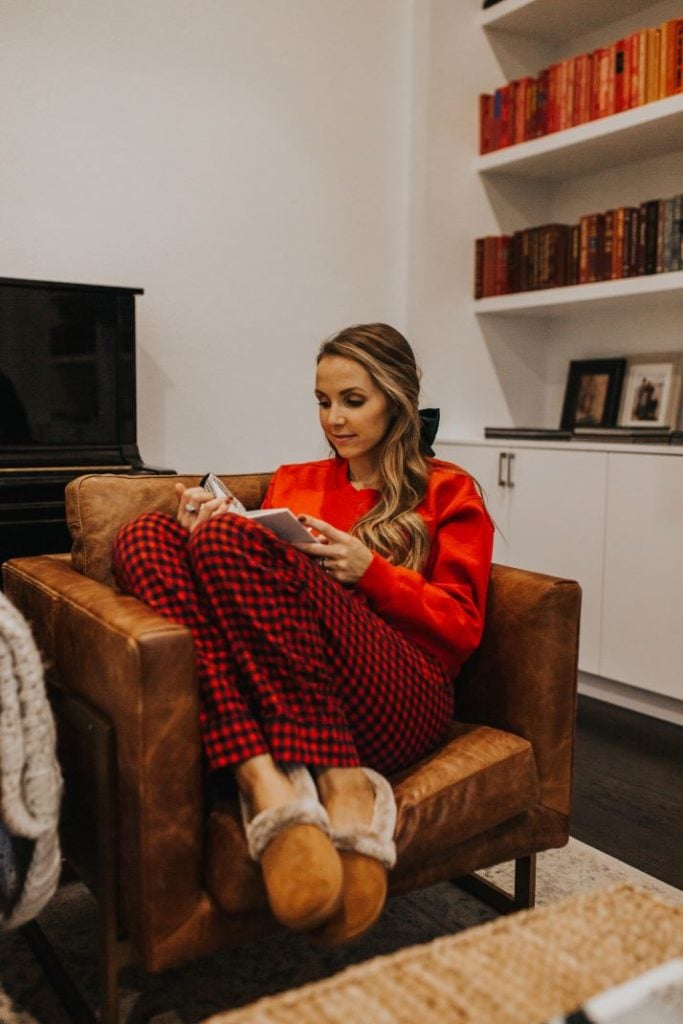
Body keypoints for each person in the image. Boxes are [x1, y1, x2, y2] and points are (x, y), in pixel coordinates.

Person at [111, 323, 493, 946]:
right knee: (143, 537)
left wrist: (372, 573)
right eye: (322, 401)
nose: (334, 420)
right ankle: (261, 776)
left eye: (353, 400)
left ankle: (343, 780)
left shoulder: (449, 489)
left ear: (396, 400)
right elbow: (242, 601)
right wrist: (195, 532)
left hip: (405, 696)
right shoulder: (297, 481)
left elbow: (462, 628)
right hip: (295, 694)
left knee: (224, 536)